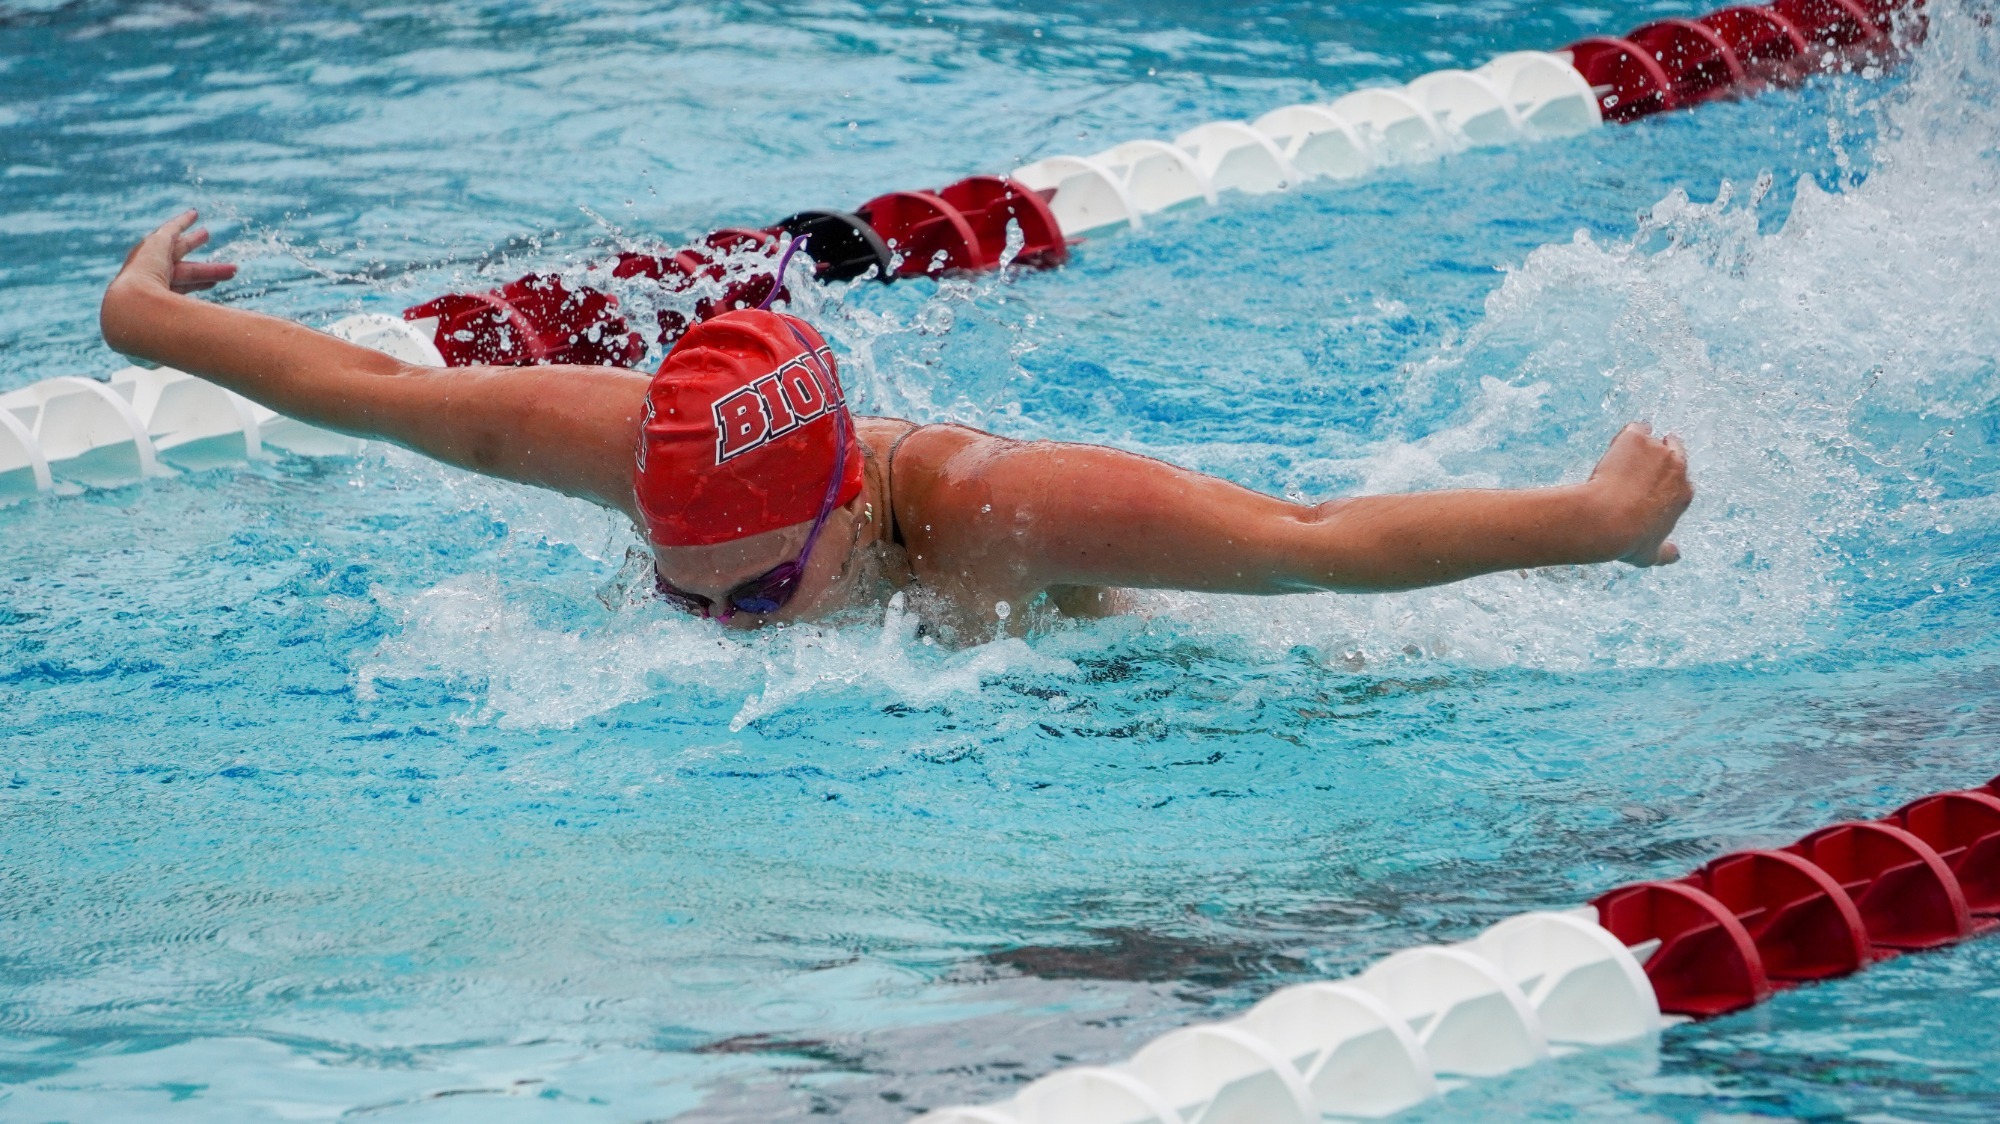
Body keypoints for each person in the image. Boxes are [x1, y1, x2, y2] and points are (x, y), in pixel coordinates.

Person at [100, 212, 1694, 643]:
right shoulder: (635, 444)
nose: (720, 627)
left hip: (1112, 684)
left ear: (844, 511)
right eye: (680, 588)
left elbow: (1311, 546)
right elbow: (370, 397)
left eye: (761, 597)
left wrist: (1596, 520)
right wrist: (144, 320)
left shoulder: (999, 509)